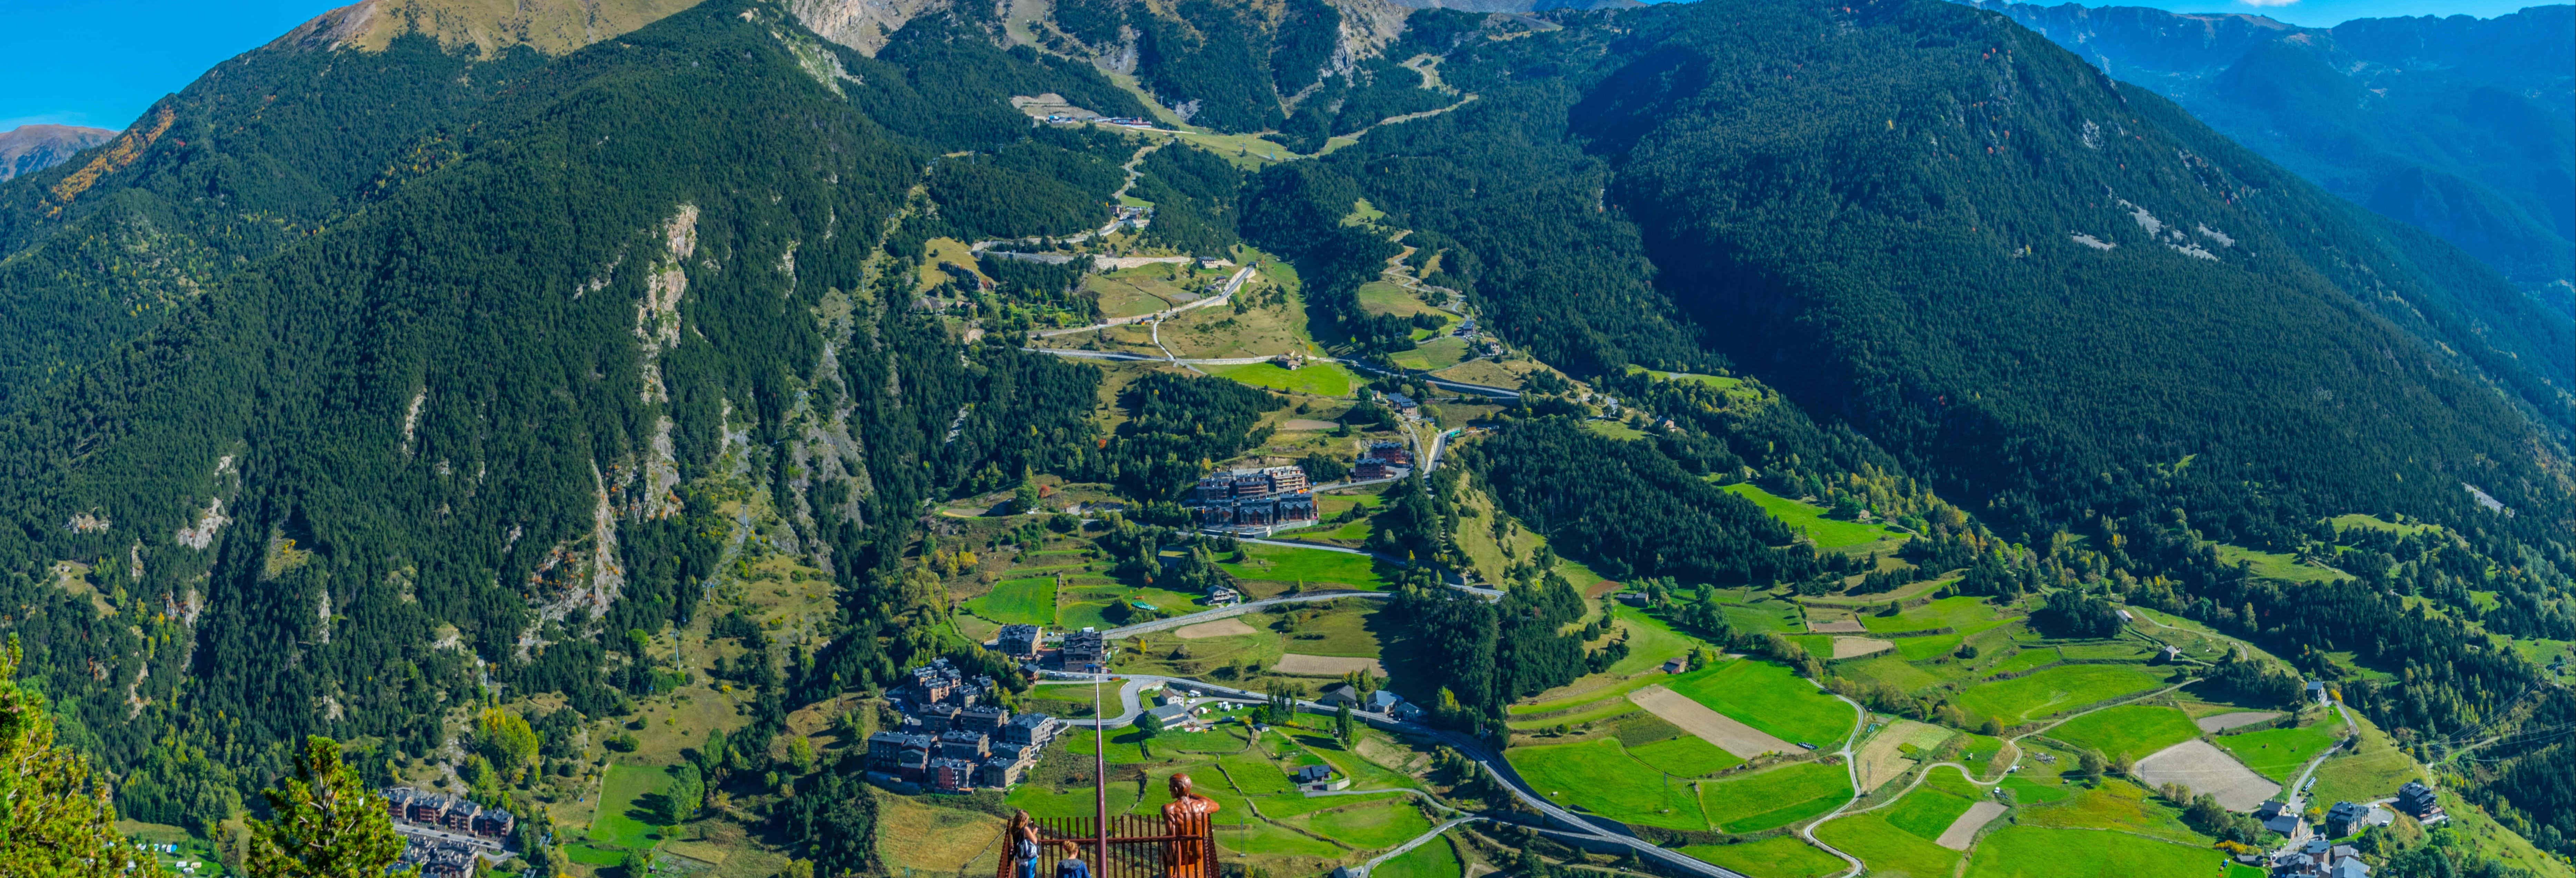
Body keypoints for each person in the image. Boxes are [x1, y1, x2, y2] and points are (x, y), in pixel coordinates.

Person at [1160, 774, 1221, 878]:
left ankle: (1168, 875)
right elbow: (1216, 805)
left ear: (1177, 789)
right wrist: (1193, 795)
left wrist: (1177, 872)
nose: (1169, 790)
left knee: (1166, 840)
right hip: (1198, 856)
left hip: (1182, 859)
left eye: (1171, 787)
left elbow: (1174, 841)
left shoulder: (1170, 809)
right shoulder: (1203, 806)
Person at [1008, 811, 1042, 878]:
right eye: (1027, 819)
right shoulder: (1025, 829)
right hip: (1029, 857)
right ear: (1024, 820)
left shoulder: (1015, 829)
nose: (1027, 821)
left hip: (1020, 857)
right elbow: (1035, 841)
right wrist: (1034, 833)